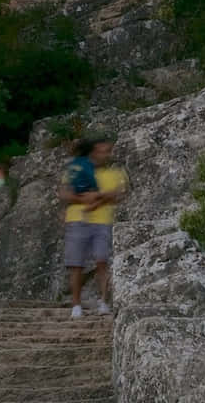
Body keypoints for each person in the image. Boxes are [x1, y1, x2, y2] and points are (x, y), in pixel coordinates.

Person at [59, 135, 126, 318]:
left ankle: (104, 302)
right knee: (76, 264)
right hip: (77, 219)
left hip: (103, 222)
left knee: (102, 261)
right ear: (92, 152)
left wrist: (97, 198)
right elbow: (64, 193)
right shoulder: (77, 168)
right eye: (101, 151)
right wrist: (86, 199)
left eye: (107, 151)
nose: (105, 155)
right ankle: (76, 305)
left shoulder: (115, 173)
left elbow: (118, 194)